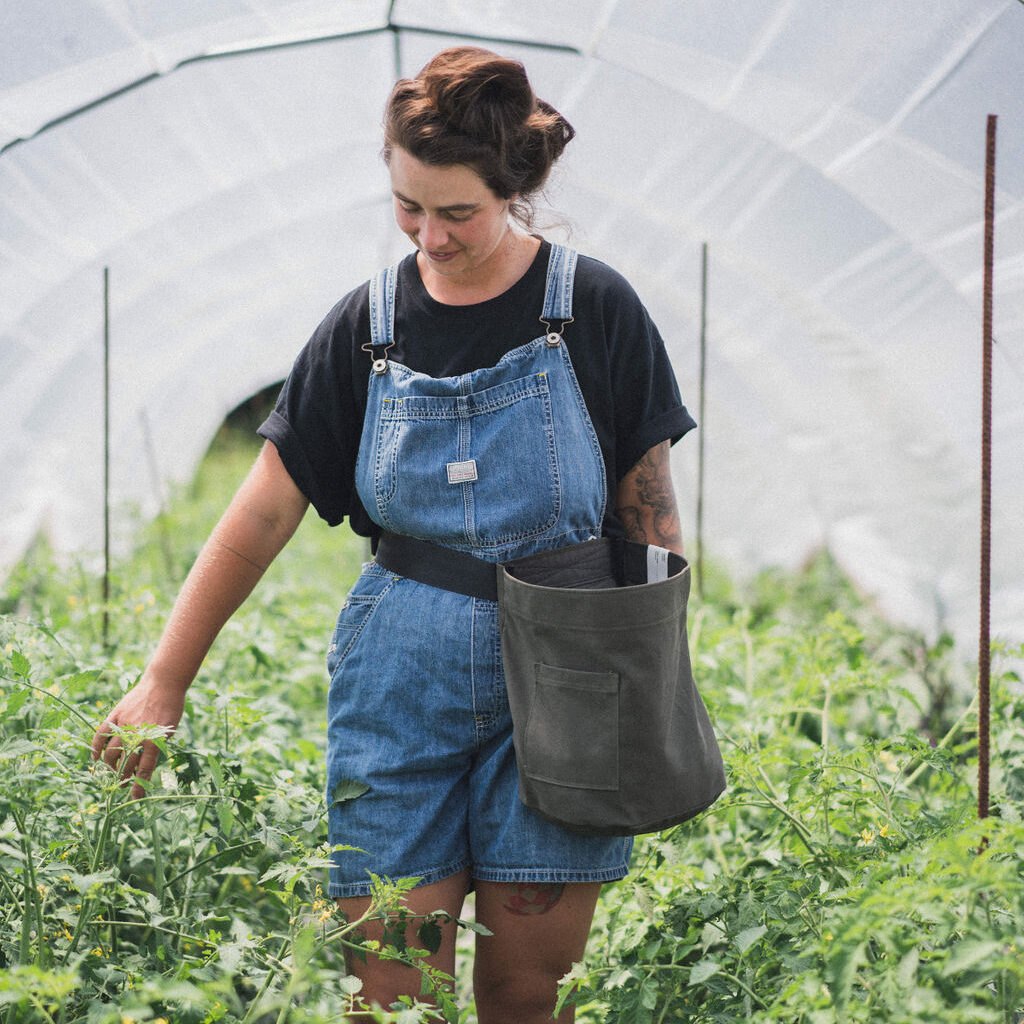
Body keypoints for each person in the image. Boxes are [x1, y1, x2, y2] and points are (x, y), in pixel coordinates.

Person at [91, 46, 695, 1022]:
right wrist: (165, 680)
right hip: (397, 682)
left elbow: (649, 511)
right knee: (387, 990)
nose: (430, 234)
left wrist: (649, 687)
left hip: (570, 675)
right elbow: (260, 513)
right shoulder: (365, 327)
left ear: (514, 190)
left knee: (526, 985)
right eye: (408, 206)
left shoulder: (592, 311)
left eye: (456, 211)